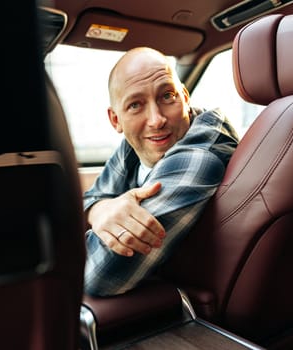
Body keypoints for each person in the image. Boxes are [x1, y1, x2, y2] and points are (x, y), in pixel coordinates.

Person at [83, 47, 239, 296]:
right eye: (135, 105)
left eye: (167, 96)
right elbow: (89, 200)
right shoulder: (135, 146)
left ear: (185, 98)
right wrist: (100, 210)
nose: (156, 120)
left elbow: (100, 275)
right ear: (116, 120)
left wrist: (90, 215)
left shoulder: (201, 157)